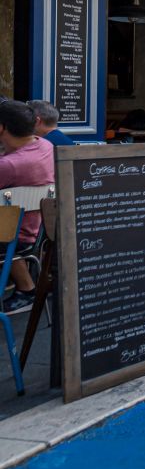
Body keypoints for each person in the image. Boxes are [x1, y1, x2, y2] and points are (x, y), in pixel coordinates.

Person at [0, 101, 54, 313]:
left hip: (13, 238)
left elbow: (10, 166)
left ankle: (26, 289)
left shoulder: (9, 166)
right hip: (40, 231)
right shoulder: (44, 145)